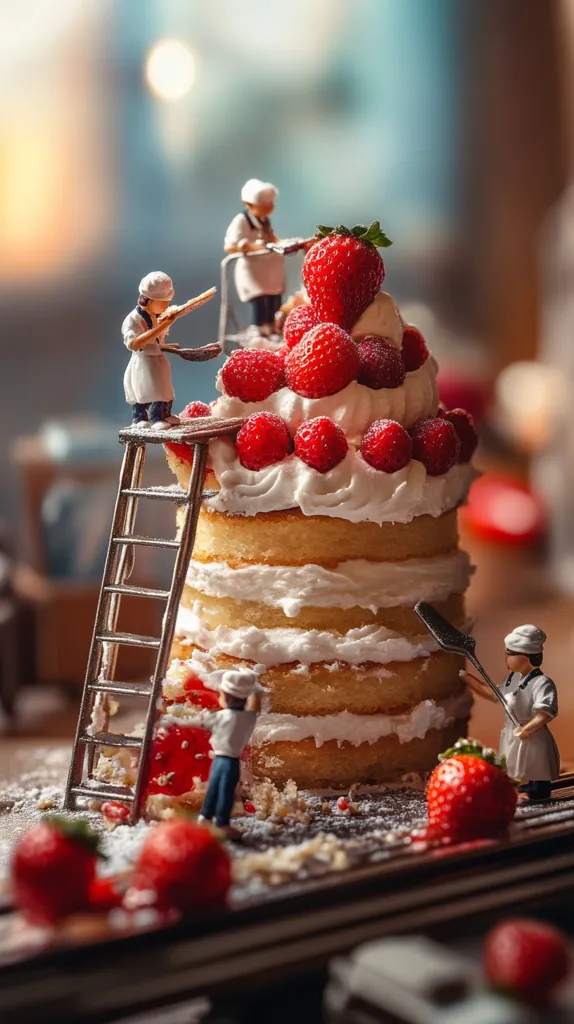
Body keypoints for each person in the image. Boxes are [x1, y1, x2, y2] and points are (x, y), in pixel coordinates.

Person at [461, 624, 560, 800]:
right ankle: (517, 789)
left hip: (532, 737)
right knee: (512, 769)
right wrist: (467, 679)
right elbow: (494, 694)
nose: (505, 657)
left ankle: (536, 791)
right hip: (511, 733)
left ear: (528, 656)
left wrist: (526, 729)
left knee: (535, 769)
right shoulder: (512, 679)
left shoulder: (542, 683)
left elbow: (545, 713)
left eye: (510, 653)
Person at [196, 669, 264, 838]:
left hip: (218, 758)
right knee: (227, 790)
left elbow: (198, 722)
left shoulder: (220, 715)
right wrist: (255, 688)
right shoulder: (249, 718)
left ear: (224, 697)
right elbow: (255, 707)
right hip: (231, 760)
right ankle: (221, 823)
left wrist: (172, 722)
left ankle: (205, 816)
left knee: (214, 787)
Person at [223, 179, 286, 336]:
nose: (268, 210)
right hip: (253, 271)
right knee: (260, 301)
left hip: (270, 271)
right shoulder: (241, 222)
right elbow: (230, 246)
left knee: (274, 299)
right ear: (248, 205)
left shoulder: (264, 220)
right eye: (263, 207)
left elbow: (271, 237)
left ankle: (272, 326)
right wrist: (247, 246)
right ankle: (258, 329)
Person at [122, 271, 181, 430]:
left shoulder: (155, 316)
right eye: (164, 303)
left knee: (165, 389)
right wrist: (162, 326)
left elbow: (154, 342)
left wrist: (167, 347)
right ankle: (144, 418)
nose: (166, 307)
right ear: (149, 300)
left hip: (158, 359)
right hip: (143, 362)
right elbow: (134, 343)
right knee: (146, 390)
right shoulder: (133, 319)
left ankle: (163, 414)